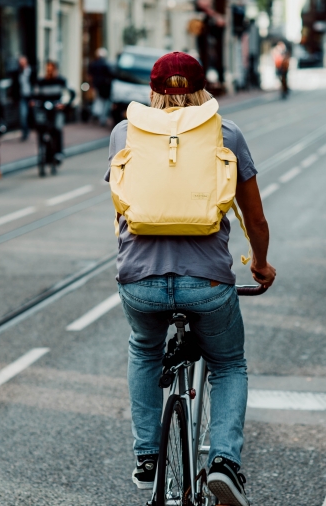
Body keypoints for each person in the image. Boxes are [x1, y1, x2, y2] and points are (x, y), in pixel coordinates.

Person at [106, 52, 276, 506]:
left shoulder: (125, 133)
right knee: (227, 364)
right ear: (203, 89)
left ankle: (147, 458)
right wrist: (260, 263)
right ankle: (224, 463)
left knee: (144, 348)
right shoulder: (227, 133)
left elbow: (122, 204)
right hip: (208, 281)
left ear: (153, 90)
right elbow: (254, 218)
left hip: (140, 280)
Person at [34, 60, 75, 156]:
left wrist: (64, 104)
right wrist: (34, 102)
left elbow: (72, 92)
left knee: (57, 128)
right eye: (47, 70)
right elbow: (35, 95)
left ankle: (58, 152)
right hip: (44, 109)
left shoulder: (61, 80)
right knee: (41, 127)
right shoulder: (41, 82)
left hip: (56, 109)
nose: (49, 72)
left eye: (51, 70)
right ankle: (43, 152)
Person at [88, 47, 113, 126]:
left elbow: (90, 75)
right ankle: (102, 117)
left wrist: (92, 84)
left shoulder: (93, 64)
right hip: (105, 86)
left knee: (97, 100)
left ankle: (96, 114)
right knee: (104, 102)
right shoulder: (106, 64)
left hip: (96, 85)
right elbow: (110, 74)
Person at [11, 55, 33, 141]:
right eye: (20, 62)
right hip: (22, 97)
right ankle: (25, 132)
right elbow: (15, 86)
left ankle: (32, 129)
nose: (21, 64)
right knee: (23, 115)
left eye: (23, 62)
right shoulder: (17, 72)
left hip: (30, 96)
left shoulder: (31, 71)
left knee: (31, 115)